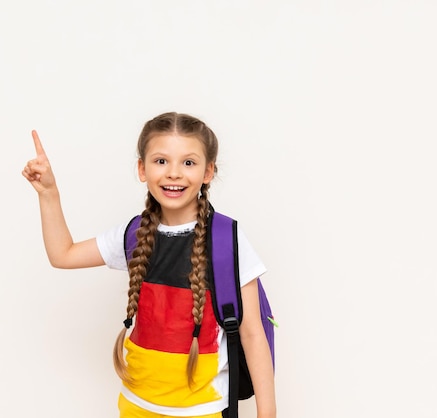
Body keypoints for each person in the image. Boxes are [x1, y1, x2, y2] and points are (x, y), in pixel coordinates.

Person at [22, 112, 276, 418]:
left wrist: (267, 414)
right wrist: (49, 193)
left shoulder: (227, 240)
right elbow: (63, 254)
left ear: (208, 172)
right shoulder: (134, 234)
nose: (174, 173)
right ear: (142, 169)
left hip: (203, 411)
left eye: (188, 162)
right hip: (136, 407)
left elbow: (252, 334)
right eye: (161, 161)